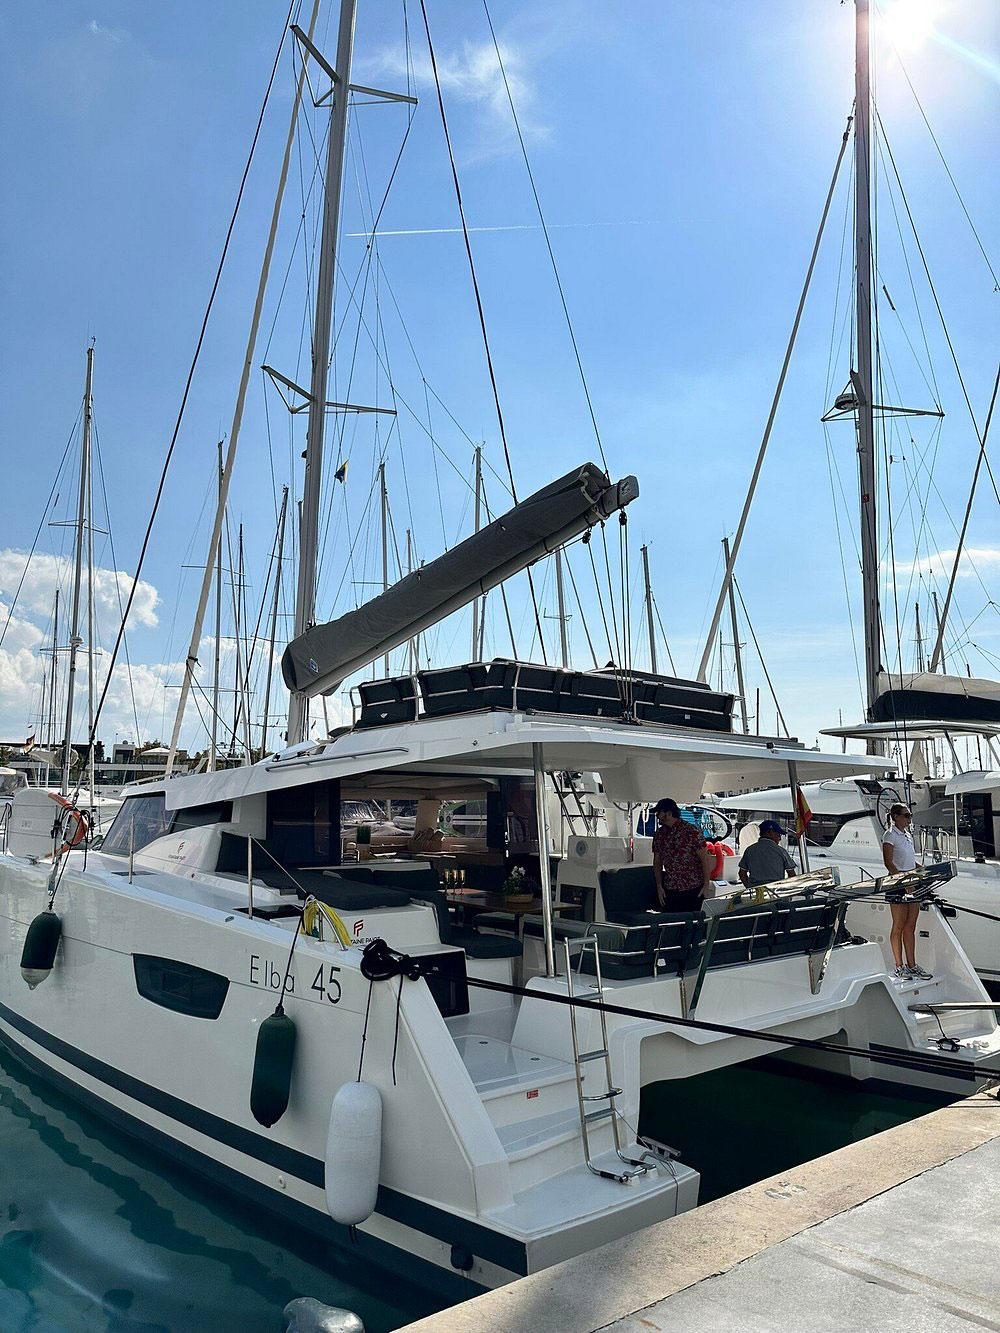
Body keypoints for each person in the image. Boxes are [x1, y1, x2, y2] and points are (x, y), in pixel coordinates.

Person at [882, 802, 931, 982]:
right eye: (906, 815)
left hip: (912, 881)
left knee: (910, 927)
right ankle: (899, 966)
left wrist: (921, 869)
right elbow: (889, 863)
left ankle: (912, 965)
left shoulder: (907, 835)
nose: (909, 819)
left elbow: (909, 861)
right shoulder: (889, 835)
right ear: (895, 817)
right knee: (899, 926)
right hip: (898, 884)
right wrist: (903, 882)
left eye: (910, 815)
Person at [651, 798, 715, 912]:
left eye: (659, 812)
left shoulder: (692, 832)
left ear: (668, 813)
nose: (657, 816)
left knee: (692, 920)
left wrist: (706, 885)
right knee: (671, 921)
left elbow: (704, 860)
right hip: (670, 888)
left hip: (693, 888)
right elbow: (657, 862)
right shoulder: (659, 835)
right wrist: (659, 886)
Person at [738, 820, 796, 892]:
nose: (780, 838)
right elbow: (792, 875)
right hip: (776, 893)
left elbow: (742, 874)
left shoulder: (749, 850)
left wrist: (751, 889)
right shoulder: (781, 851)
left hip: (756, 894)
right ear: (770, 832)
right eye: (778, 835)